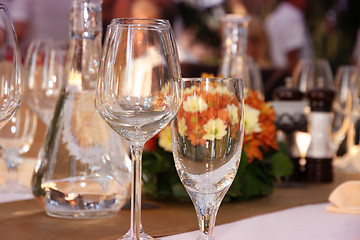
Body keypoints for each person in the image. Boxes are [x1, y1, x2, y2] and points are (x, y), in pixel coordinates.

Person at [264, 0, 313, 73]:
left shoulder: (274, 15)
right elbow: (292, 55)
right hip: (292, 77)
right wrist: (299, 81)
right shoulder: (293, 16)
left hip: (278, 74)